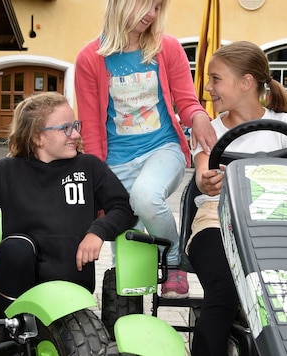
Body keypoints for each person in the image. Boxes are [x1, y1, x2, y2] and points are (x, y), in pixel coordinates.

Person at [187, 41, 287, 355]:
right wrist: (207, 179)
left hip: (279, 219)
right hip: (218, 218)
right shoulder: (209, 131)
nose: (207, 86)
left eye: (216, 79)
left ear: (246, 83)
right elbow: (203, 175)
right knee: (223, 291)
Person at [74, 0, 217, 298]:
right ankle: (129, 314)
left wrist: (200, 117)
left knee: (146, 197)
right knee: (127, 239)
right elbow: (90, 126)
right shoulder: (90, 58)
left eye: (157, 7)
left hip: (162, 149)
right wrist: (96, 179)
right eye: (146, 5)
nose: (152, 14)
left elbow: (187, 101)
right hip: (115, 160)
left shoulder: (168, 48)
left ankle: (175, 261)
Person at [0, 92, 138, 317]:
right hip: (20, 297)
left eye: (75, 125)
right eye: (65, 128)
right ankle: (10, 334)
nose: (76, 134)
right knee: (15, 248)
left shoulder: (89, 167)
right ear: (37, 137)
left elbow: (124, 209)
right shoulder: (8, 171)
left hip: (71, 295)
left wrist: (98, 232)